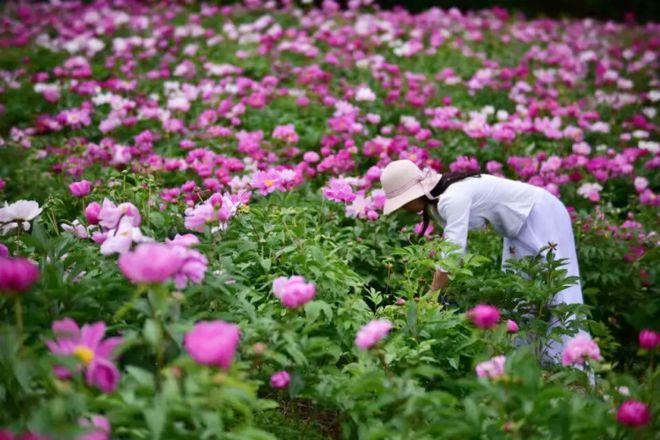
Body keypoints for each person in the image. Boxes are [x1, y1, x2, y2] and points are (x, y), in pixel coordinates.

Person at [380, 159, 588, 362]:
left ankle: (576, 365)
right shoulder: (439, 202)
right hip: (518, 227)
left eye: (401, 204)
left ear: (411, 196)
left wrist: (432, 294)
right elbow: (454, 255)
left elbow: (453, 255)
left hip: (541, 213)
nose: (401, 209)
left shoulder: (452, 197)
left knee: (561, 292)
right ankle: (535, 366)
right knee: (521, 298)